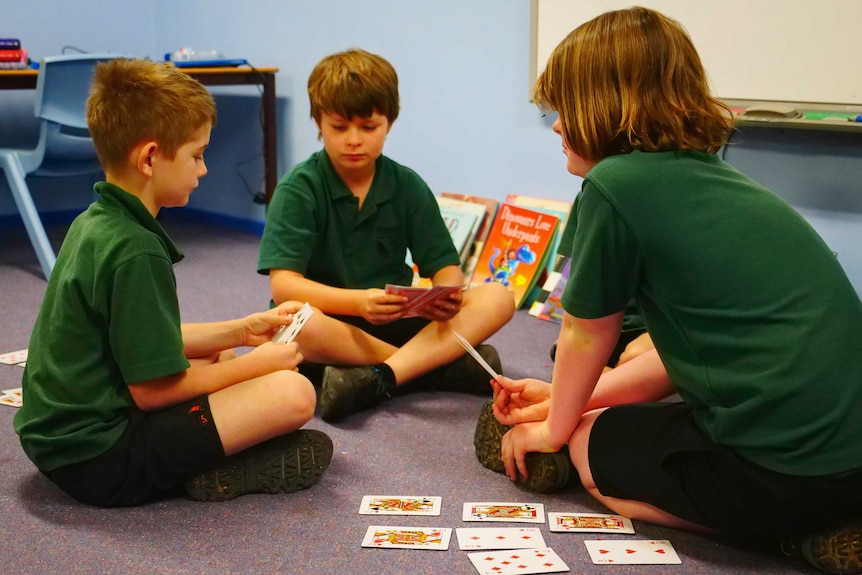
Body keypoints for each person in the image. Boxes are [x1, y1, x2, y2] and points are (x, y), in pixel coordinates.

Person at [476, 8, 862, 574]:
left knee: (587, 448)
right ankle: (815, 519)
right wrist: (578, 393)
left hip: (784, 475)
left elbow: (585, 335)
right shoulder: (713, 178)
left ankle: (790, 538)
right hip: (851, 465)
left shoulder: (614, 185)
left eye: (564, 109)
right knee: (604, 415)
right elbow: (675, 359)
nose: (556, 126)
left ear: (607, 106)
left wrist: (559, 425)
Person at [13, 58, 338, 507]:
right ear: (150, 158)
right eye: (197, 155)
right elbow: (152, 393)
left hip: (58, 443)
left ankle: (213, 448)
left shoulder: (94, 223)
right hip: (101, 463)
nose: (203, 169)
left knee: (218, 353)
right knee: (294, 392)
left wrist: (243, 330)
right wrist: (261, 362)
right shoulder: (136, 250)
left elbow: (144, 342)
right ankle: (214, 467)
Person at [257, 48, 515, 423]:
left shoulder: (407, 184)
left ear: (389, 122)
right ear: (318, 123)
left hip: (398, 321)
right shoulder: (299, 187)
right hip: (329, 322)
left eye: (368, 127)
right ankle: (432, 367)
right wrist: (359, 303)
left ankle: (381, 374)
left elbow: (446, 270)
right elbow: (284, 287)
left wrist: (444, 298)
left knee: (498, 296)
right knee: (293, 325)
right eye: (340, 127)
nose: (354, 140)